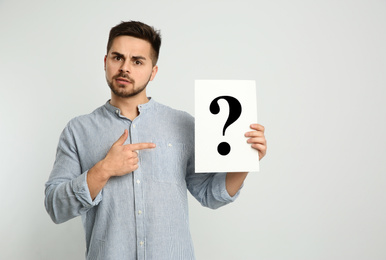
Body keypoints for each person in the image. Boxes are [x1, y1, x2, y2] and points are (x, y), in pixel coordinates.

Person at [44, 20, 267, 260]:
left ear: (153, 71)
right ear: (106, 61)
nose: (125, 68)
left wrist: (245, 161)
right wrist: (103, 169)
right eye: (118, 58)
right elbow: (56, 207)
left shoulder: (184, 124)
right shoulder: (77, 130)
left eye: (137, 61)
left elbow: (210, 195)